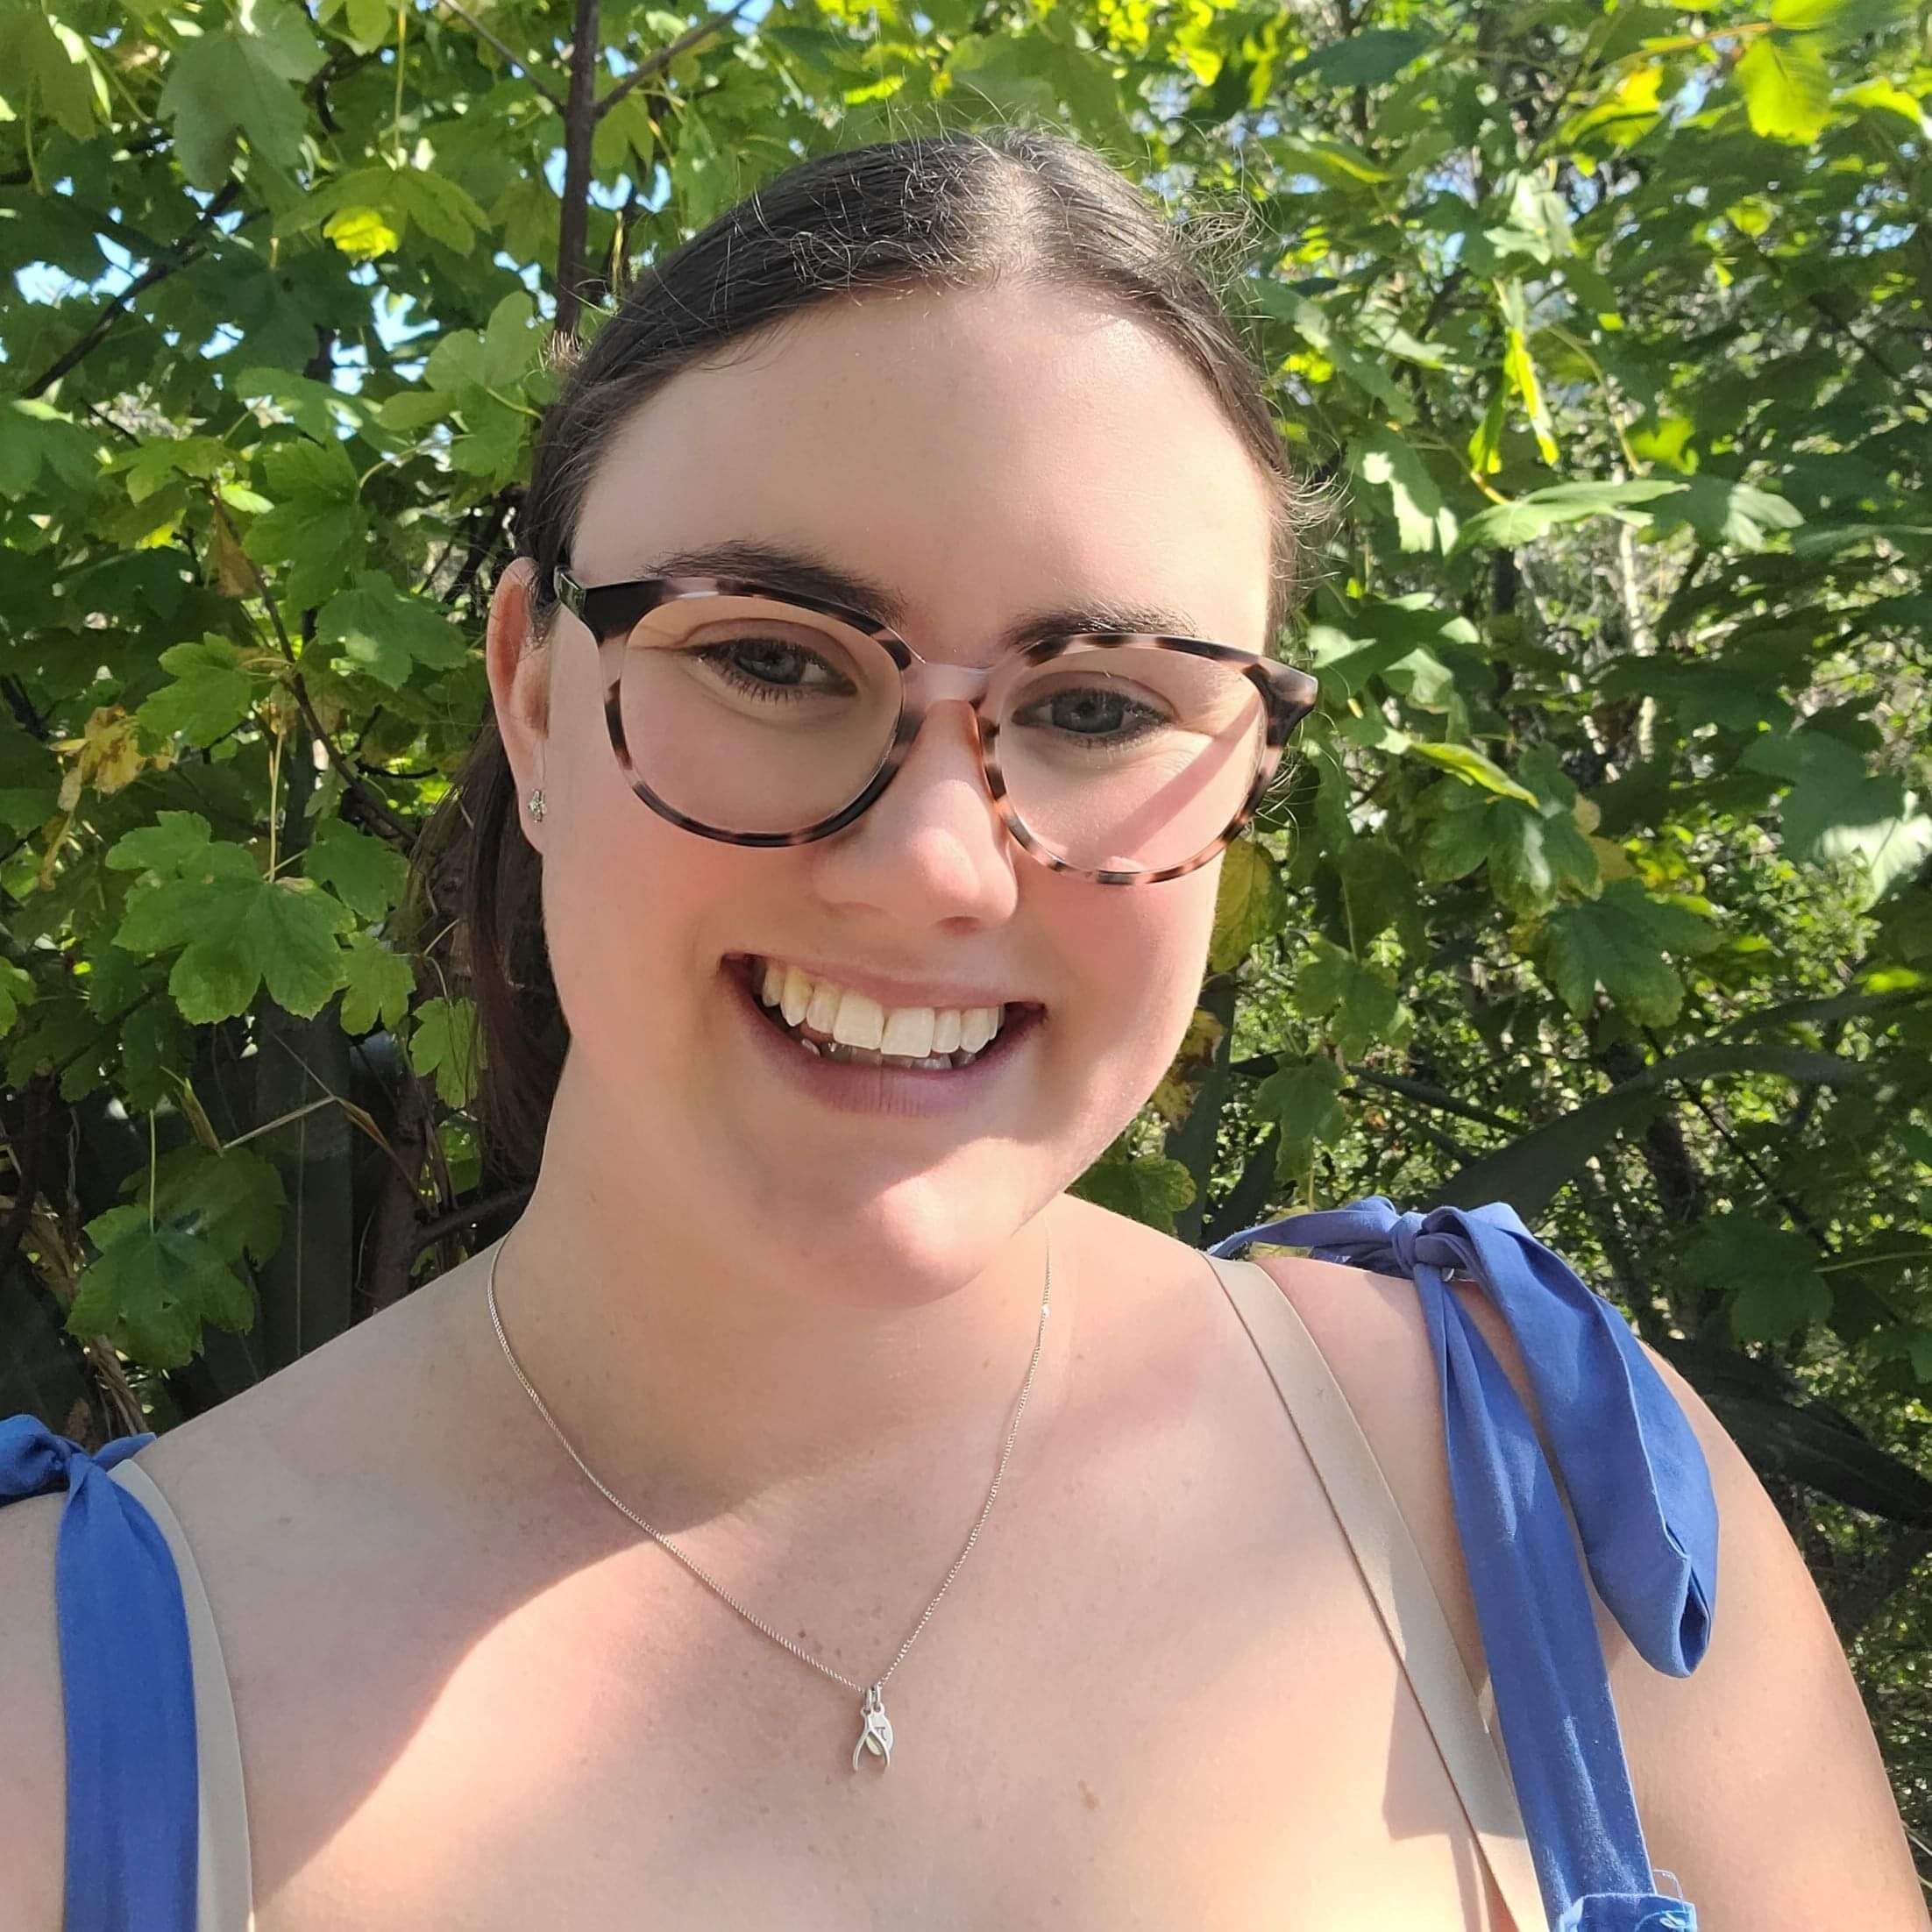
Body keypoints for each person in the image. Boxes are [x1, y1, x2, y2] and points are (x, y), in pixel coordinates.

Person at [0, 126, 1921, 1932]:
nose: (935, 865)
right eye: (770, 657)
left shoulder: (1549, 1505)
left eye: (1099, 708)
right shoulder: (49, 1725)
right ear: (531, 695)